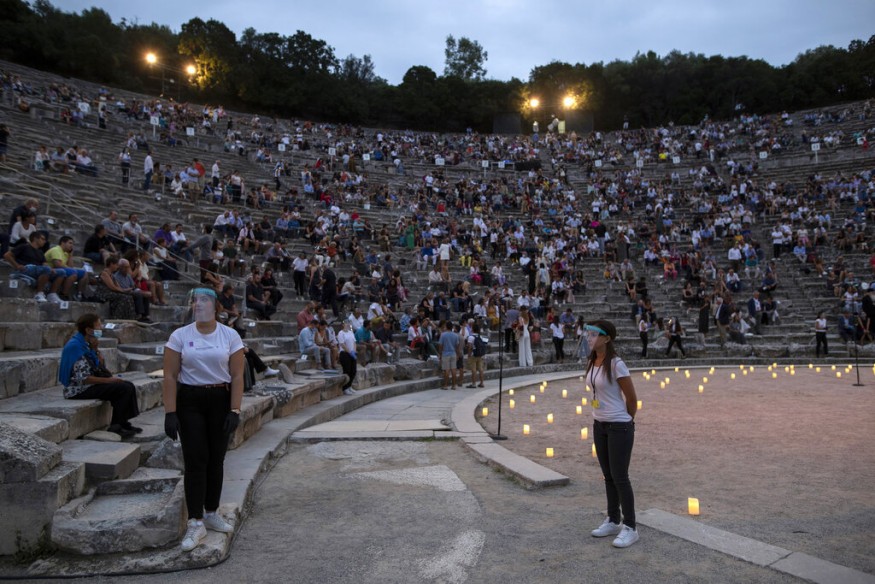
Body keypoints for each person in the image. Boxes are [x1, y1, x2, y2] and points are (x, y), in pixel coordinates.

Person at [162, 287, 244, 552]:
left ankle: (211, 511)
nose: (199, 305)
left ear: (215, 306)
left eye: (205, 300)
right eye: (195, 300)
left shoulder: (229, 335)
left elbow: (237, 376)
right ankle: (195, 522)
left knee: (216, 459)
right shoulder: (180, 336)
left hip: (219, 399)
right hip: (190, 401)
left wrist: (235, 410)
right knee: (196, 459)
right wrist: (170, 412)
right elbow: (170, 376)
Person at [584, 320, 639, 548]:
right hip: (600, 425)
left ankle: (630, 527)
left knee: (620, 477)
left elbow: (632, 399)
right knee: (607, 476)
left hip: (619, 426)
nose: (590, 338)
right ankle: (613, 519)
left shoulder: (616, 364)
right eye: (588, 334)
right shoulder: (592, 361)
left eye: (595, 334)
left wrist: (626, 420)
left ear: (606, 338)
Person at [60, 313, 140, 438]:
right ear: (88, 330)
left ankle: (123, 423)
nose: (101, 329)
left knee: (128, 385)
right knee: (122, 388)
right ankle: (116, 426)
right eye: (98, 326)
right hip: (78, 389)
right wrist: (109, 381)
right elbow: (83, 378)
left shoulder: (87, 343)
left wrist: (96, 350)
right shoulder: (75, 346)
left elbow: (99, 367)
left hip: (88, 385)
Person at [438, 320, 462, 390]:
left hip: (445, 353)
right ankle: (454, 385)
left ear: (446, 327)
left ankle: (445, 385)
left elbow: (440, 345)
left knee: (446, 370)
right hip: (453, 353)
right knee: (454, 370)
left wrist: (440, 353)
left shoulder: (443, 334)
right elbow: (457, 346)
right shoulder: (455, 335)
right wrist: (457, 354)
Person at [336, 322, 358, 395]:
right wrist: (349, 352)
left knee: (353, 371)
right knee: (347, 370)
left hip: (352, 353)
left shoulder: (351, 332)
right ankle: (345, 387)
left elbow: (354, 342)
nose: (348, 325)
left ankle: (349, 386)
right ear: (343, 325)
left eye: (348, 323)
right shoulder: (341, 333)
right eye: (346, 323)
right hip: (345, 354)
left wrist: (354, 351)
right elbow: (342, 344)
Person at [465, 322, 487, 388]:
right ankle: (482, 383)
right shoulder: (481, 336)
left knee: (473, 370)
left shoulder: (471, 337)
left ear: (472, 329)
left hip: (473, 355)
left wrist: (468, 355)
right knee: (480, 369)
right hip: (480, 355)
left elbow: (470, 347)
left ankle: (473, 383)